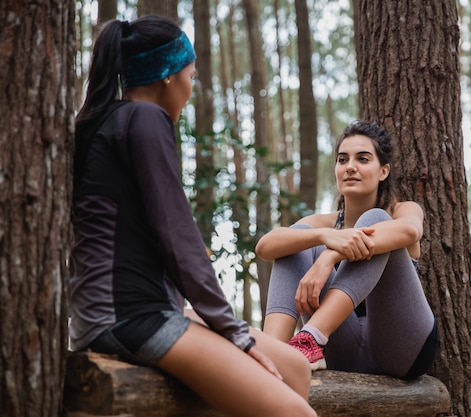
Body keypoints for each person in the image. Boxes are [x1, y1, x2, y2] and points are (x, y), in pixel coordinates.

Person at [69, 16, 317, 417]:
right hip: (127, 316)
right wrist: (236, 333)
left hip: (133, 308)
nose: (190, 87)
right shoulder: (144, 119)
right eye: (191, 74)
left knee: (295, 368)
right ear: (168, 76)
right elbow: (178, 236)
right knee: (297, 413)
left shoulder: (106, 119)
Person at [256, 121, 439, 380]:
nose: (350, 166)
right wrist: (322, 235)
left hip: (401, 347)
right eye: (343, 160)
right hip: (342, 350)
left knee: (375, 219)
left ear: (383, 171)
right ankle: (270, 354)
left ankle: (311, 337)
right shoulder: (326, 223)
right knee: (296, 241)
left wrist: (330, 256)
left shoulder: (402, 210)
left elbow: (410, 231)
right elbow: (265, 247)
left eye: (363, 159)